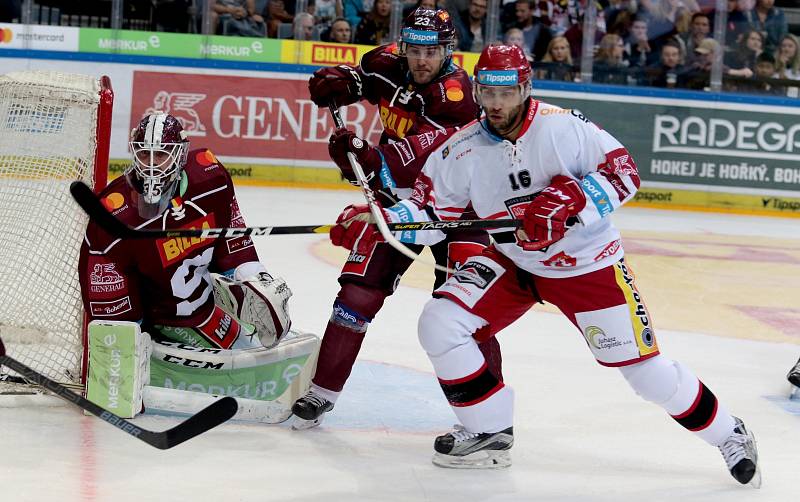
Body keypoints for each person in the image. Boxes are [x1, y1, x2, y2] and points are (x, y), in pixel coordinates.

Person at [329, 44, 761, 486]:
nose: (496, 105)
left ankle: (730, 432)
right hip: (514, 264)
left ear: (525, 88)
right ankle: (488, 430)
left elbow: (625, 171)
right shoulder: (460, 149)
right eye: (487, 93)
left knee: (645, 374)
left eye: (507, 93)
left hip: (586, 267)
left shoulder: (564, 128)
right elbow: (429, 210)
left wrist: (571, 200)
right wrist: (379, 222)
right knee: (441, 323)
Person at [294, 7, 500, 429]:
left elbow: (406, 165)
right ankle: (320, 394)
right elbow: (362, 80)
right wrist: (342, 84)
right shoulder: (387, 61)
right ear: (403, 45)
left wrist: (362, 156)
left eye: (433, 51)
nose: (422, 60)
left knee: (467, 313)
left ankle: (489, 414)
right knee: (354, 300)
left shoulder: (456, 97)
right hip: (399, 201)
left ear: (449, 51)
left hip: (461, 208)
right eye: (415, 50)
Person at [79, 112, 292, 353]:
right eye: (144, 153)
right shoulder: (113, 214)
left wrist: (256, 281)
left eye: (160, 154)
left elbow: (233, 244)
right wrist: (127, 349)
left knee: (270, 347)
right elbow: (112, 314)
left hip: (207, 306)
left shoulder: (211, 177)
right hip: (160, 324)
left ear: (180, 154)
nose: (150, 164)